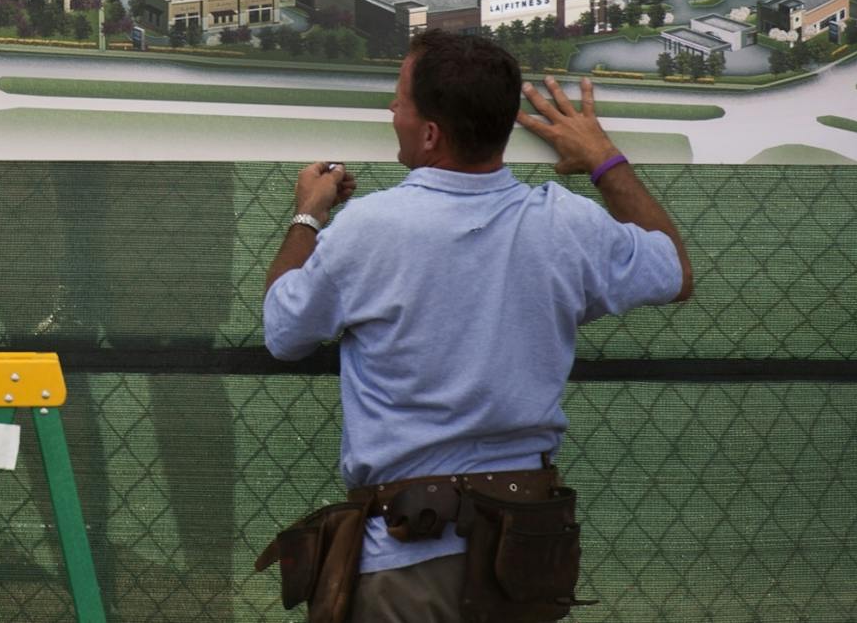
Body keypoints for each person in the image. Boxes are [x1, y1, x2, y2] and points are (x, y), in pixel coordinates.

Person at [256, 30, 693, 623]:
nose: (391, 111)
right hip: (527, 553)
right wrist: (602, 158)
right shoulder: (566, 223)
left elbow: (284, 329)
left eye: (400, 100)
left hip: (406, 557)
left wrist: (308, 213)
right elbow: (674, 270)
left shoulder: (369, 228)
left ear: (430, 132)